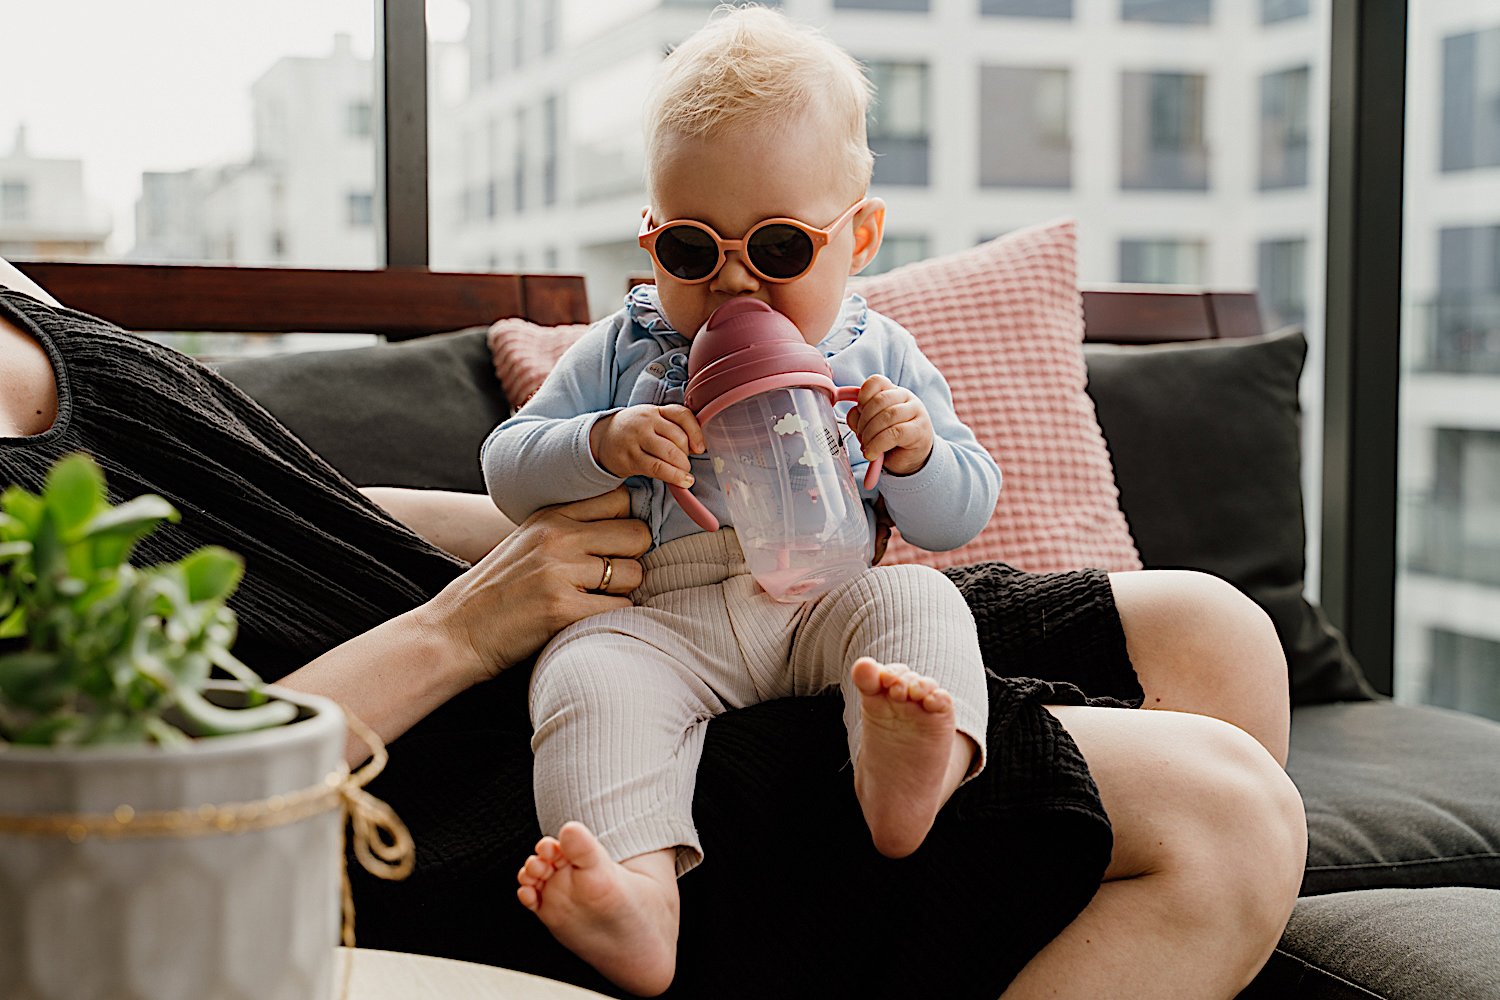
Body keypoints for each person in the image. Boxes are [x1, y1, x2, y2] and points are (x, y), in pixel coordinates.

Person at [0, 221, 1302, 997]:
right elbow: (97, 828)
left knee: (1213, 634)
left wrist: (636, 529)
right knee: (1221, 820)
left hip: (563, 622)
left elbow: (305, 509)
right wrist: (465, 628)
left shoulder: (19, 302)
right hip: (452, 792)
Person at [482, 9, 1009, 994]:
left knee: (925, 605)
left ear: (858, 235)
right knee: (585, 679)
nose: (733, 282)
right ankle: (638, 897)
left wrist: (915, 451)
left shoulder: (876, 354)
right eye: (691, 248)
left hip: (825, 604)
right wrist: (598, 442)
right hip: (658, 619)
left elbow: (958, 517)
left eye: (778, 246)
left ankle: (912, 774)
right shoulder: (624, 350)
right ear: (650, 239)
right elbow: (506, 469)